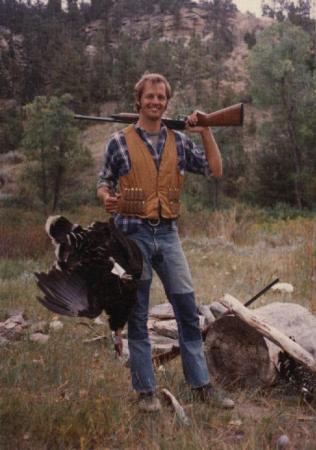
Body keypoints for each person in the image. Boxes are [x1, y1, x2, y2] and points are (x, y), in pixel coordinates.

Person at [97, 73, 234, 412]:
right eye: (149, 96)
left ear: (166, 102)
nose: (155, 102)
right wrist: (105, 198)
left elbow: (215, 170)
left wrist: (206, 130)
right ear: (138, 100)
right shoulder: (118, 141)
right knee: (138, 314)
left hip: (168, 234)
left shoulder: (180, 141)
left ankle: (201, 386)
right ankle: (146, 393)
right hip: (132, 237)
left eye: (161, 97)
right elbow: (104, 182)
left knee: (188, 311)